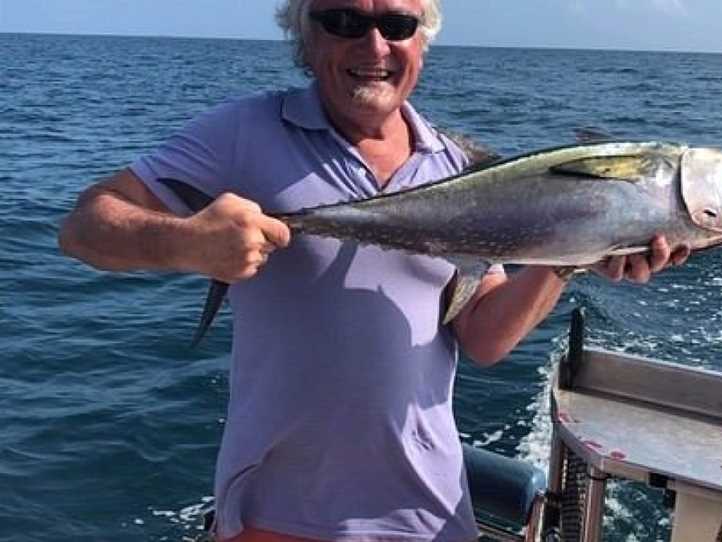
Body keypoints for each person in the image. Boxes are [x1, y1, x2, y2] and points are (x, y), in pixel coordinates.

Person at [58, 1, 689, 541]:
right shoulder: (243, 132)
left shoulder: (459, 168)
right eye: (343, 21)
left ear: (423, 39)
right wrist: (184, 244)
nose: (374, 45)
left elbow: (485, 338)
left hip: (434, 512)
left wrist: (574, 255)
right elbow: (85, 226)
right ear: (305, 35)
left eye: (397, 23)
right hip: (277, 511)